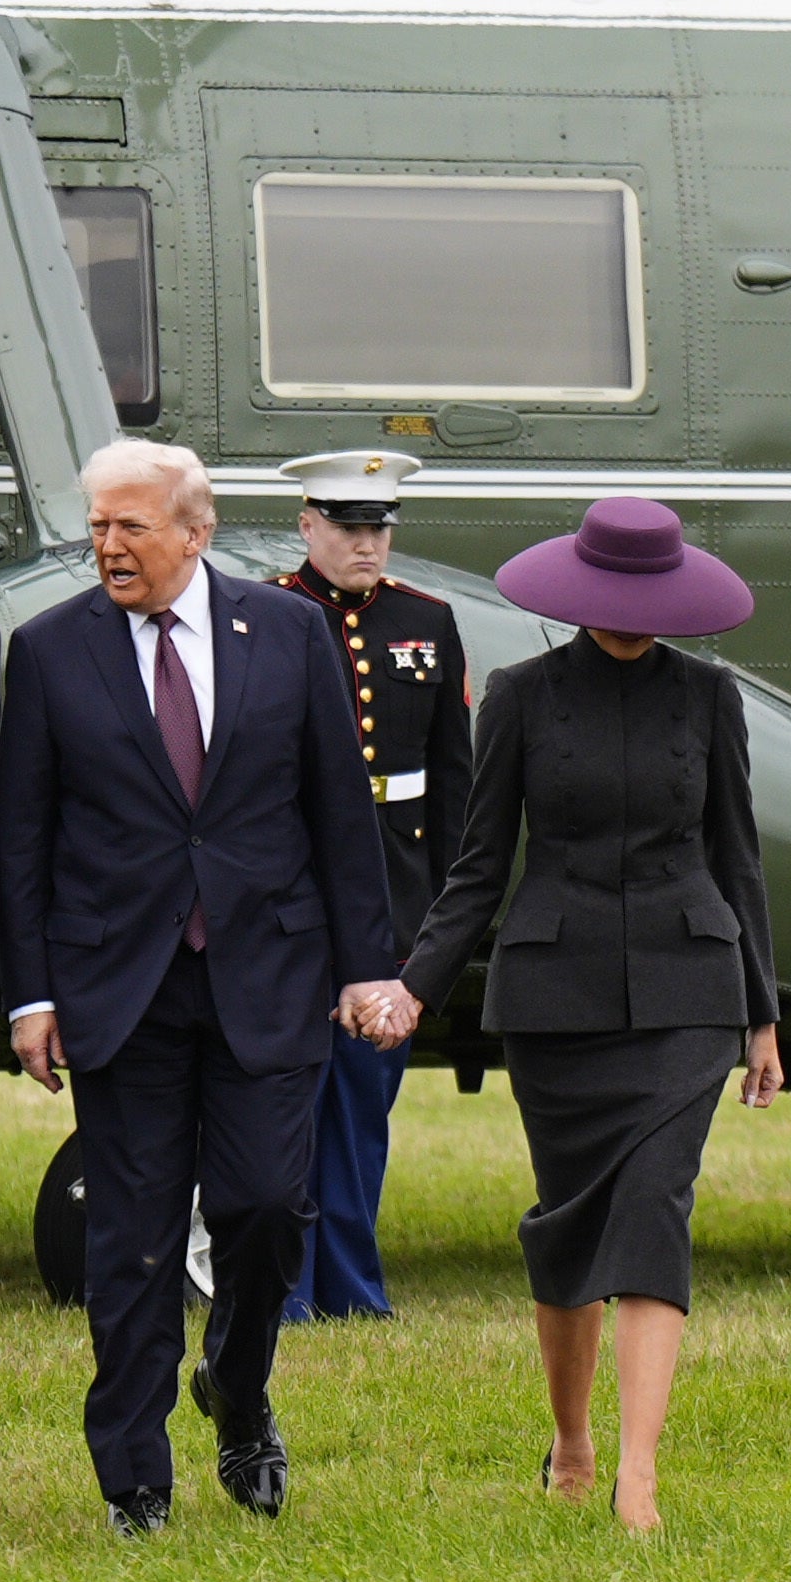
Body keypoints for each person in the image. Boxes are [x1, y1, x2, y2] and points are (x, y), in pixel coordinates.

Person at [353, 497, 785, 1536]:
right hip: (556, 999)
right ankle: (574, 1440)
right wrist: (415, 983)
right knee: (569, 1224)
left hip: (689, 995)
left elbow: (738, 859)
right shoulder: (518, 698)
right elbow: (475, 867)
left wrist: (761, 1017)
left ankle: (638, 1474)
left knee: (652, 1209)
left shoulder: (709, 700)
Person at [0, 439, 399, 1536]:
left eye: (130, 526)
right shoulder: (46, 651)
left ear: (196, 530)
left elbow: (336, 812)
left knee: (267, 1209)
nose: (107, 546)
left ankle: (238, 1384)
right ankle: (134, 1478)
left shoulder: (287, 634)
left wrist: (368, 965)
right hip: (120, 988)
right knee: (128, 1237)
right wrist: (29, 995)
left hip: (269, 973)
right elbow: (21, 839)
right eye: (97, 526)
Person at [270, 450, 470, 1321]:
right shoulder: (269, 616)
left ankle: (352, 1290)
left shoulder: (428, 620)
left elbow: (453, 780)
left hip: (394, 889)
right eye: (349, 528)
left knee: (363, 1101)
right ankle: (286, 1286)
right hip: (293, 886)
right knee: (286, 1101)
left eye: (379, 528)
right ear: (308, 526)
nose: (367, 545)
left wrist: (440, 916)